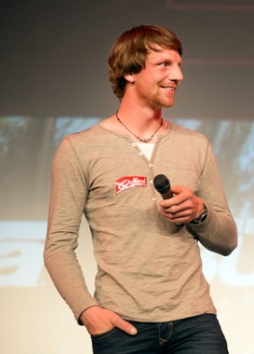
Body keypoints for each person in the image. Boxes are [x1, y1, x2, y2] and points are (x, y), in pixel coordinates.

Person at [44, 24, 237, 353]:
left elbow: (228, 241)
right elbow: (58, 246)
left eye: (179, 65)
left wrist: (200, 212)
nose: (178, 76)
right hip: (123, 328)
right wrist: (88, 311)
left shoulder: (195, 145)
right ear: (130, 72)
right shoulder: (80, 148)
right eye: (164, 65)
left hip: (195, 322)